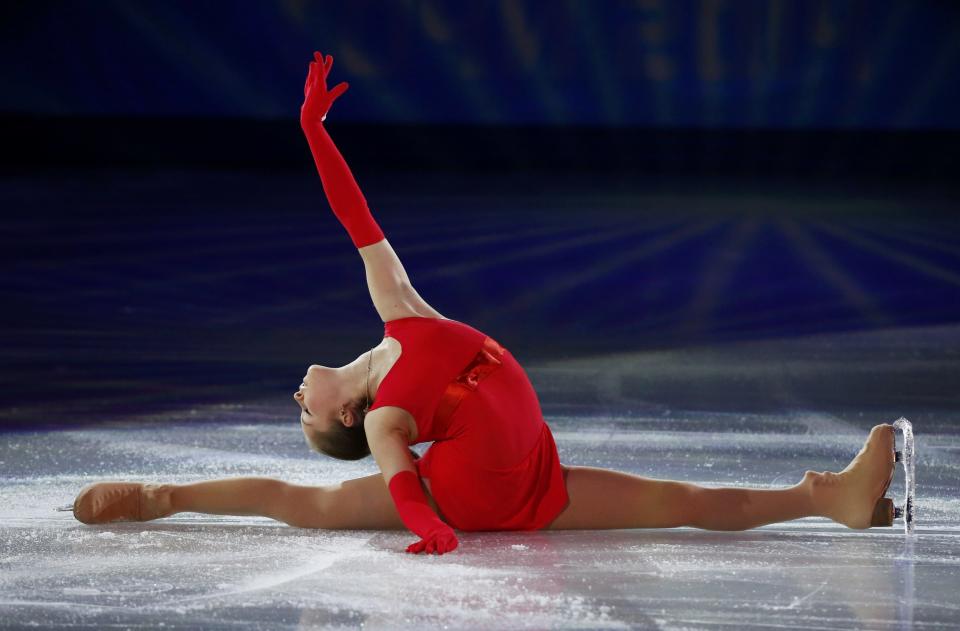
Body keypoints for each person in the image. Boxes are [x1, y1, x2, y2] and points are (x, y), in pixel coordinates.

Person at [70, 51, 900, 555]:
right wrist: (428, 526)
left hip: (533, 473)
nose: (297, 397)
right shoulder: (391, 415)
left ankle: (832, 499)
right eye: (307, 417)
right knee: (309, 505)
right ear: (348, 413)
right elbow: (399, 483)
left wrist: (314, 132)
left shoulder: (404, 316)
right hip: (480, 497)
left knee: (681, 500)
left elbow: (356, 219)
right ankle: (159, 496)